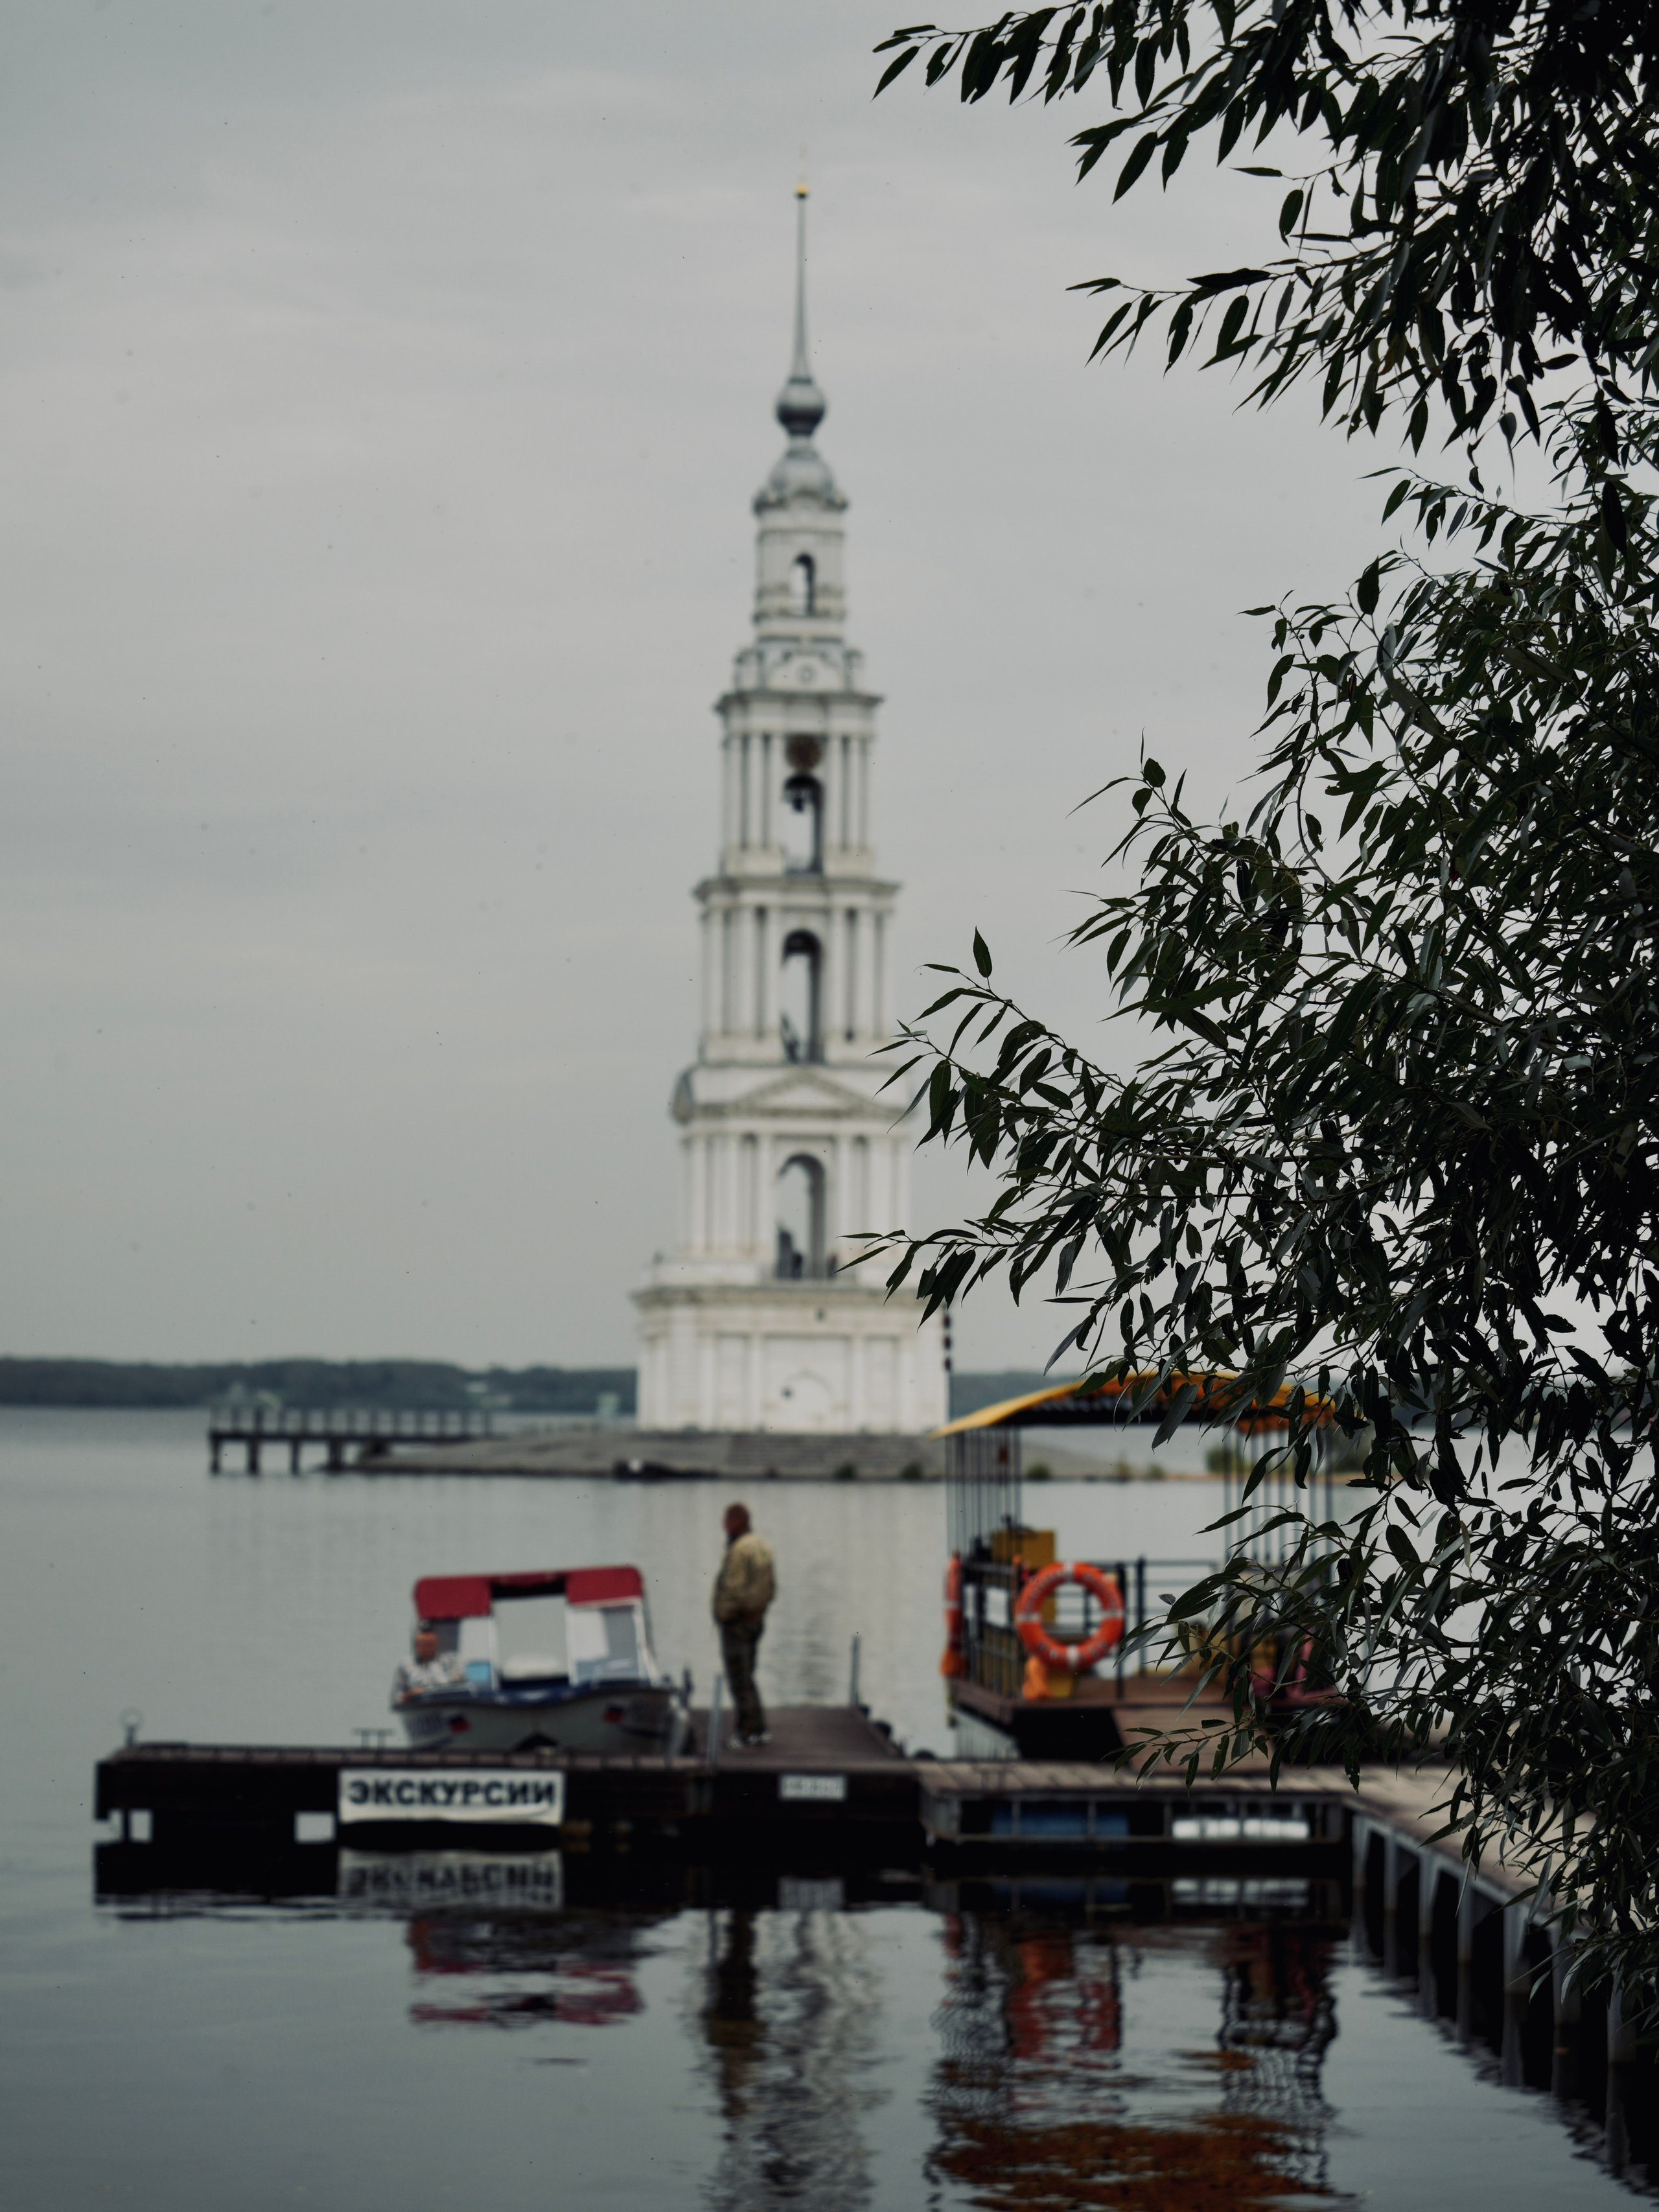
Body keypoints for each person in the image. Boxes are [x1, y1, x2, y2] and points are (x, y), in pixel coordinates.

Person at [712, 1502, 775, 1747]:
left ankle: (746, 1732)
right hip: (756, 1621)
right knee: (748, 1676)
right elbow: (772, 1587)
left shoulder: (739, 1550)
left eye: (727, 1520)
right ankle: (759, 1729)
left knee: (739, 1678)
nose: (723, 1525)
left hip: (737, 1624)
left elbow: (734, 1589)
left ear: (737, 1521)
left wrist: (723, 1614)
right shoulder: (763, 1546)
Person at [391, 1621, 467, 1706]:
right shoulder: (405, 1665)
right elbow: (396, 1699)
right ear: (415, 1644)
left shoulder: (450, 1661)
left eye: (429, 1644)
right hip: (419, 1711)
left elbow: (460, 1685)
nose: (424, 1648)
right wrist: (411, 1694)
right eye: (420, 1644)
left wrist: (427, 1690)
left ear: (436, 1644)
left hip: (445, 1707)